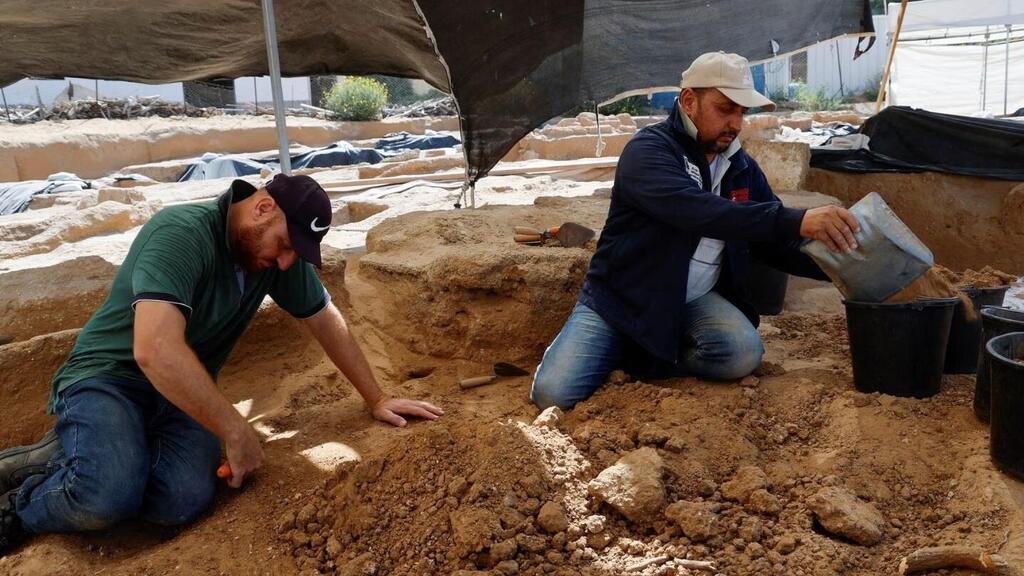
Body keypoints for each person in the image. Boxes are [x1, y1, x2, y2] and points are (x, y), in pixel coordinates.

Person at [0, 174, 443, 553]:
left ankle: (100, 451)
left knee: (179, 500)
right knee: (105, 497)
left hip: (181, 396)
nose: (287, 261)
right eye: (286, 245)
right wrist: (234, 428)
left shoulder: (270, 255)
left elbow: (324, 317)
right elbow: (154, 351)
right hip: (108, 380)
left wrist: (377, 396)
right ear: (263, 208)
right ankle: (19, 506)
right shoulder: (179, 233)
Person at [531, 52, 861, 410]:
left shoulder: (741, 167)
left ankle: (646, 359)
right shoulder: (649, 151)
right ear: (689, 101)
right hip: (624, 299)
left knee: (741, 354)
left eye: (741, 113)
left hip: (694, 300)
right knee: (554, 393)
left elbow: (769, 238)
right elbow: (698, 211)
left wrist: (841, 267)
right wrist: (796, 218)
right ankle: (635, 347)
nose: (735, 123)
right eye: (725, 109)